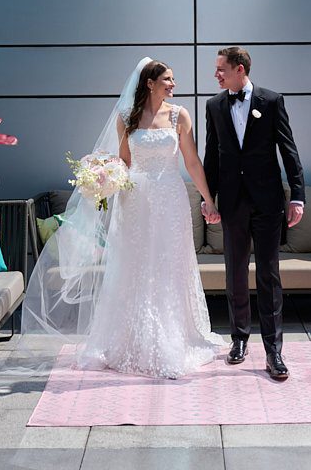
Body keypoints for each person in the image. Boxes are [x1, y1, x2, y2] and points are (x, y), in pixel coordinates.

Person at [21, 56, 224, 379]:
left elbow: (192, 163)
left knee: (170, 264)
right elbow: (123, 163)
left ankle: (173, 336)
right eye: (168, 79)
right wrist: (103, 180)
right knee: (135, 264)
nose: (174, 84)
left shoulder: (179, 116)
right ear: (149, 83)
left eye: (173, 79)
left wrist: (209, 200)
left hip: (170, 198)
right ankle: (130, 338)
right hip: (135, 200)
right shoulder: (126, 118)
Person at [204, 46, 305, 381]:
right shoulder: (214, 106)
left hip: (268, 202)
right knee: (234, 272)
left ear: (240, 70)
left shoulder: (272, 101)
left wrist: (298, 197)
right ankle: (238, 339)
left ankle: (274, 351)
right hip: (232, 203)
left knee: (268, 274)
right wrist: (208, 199)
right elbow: (212, 158)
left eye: (221, 69)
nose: (216, 75)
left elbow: (288, 151)